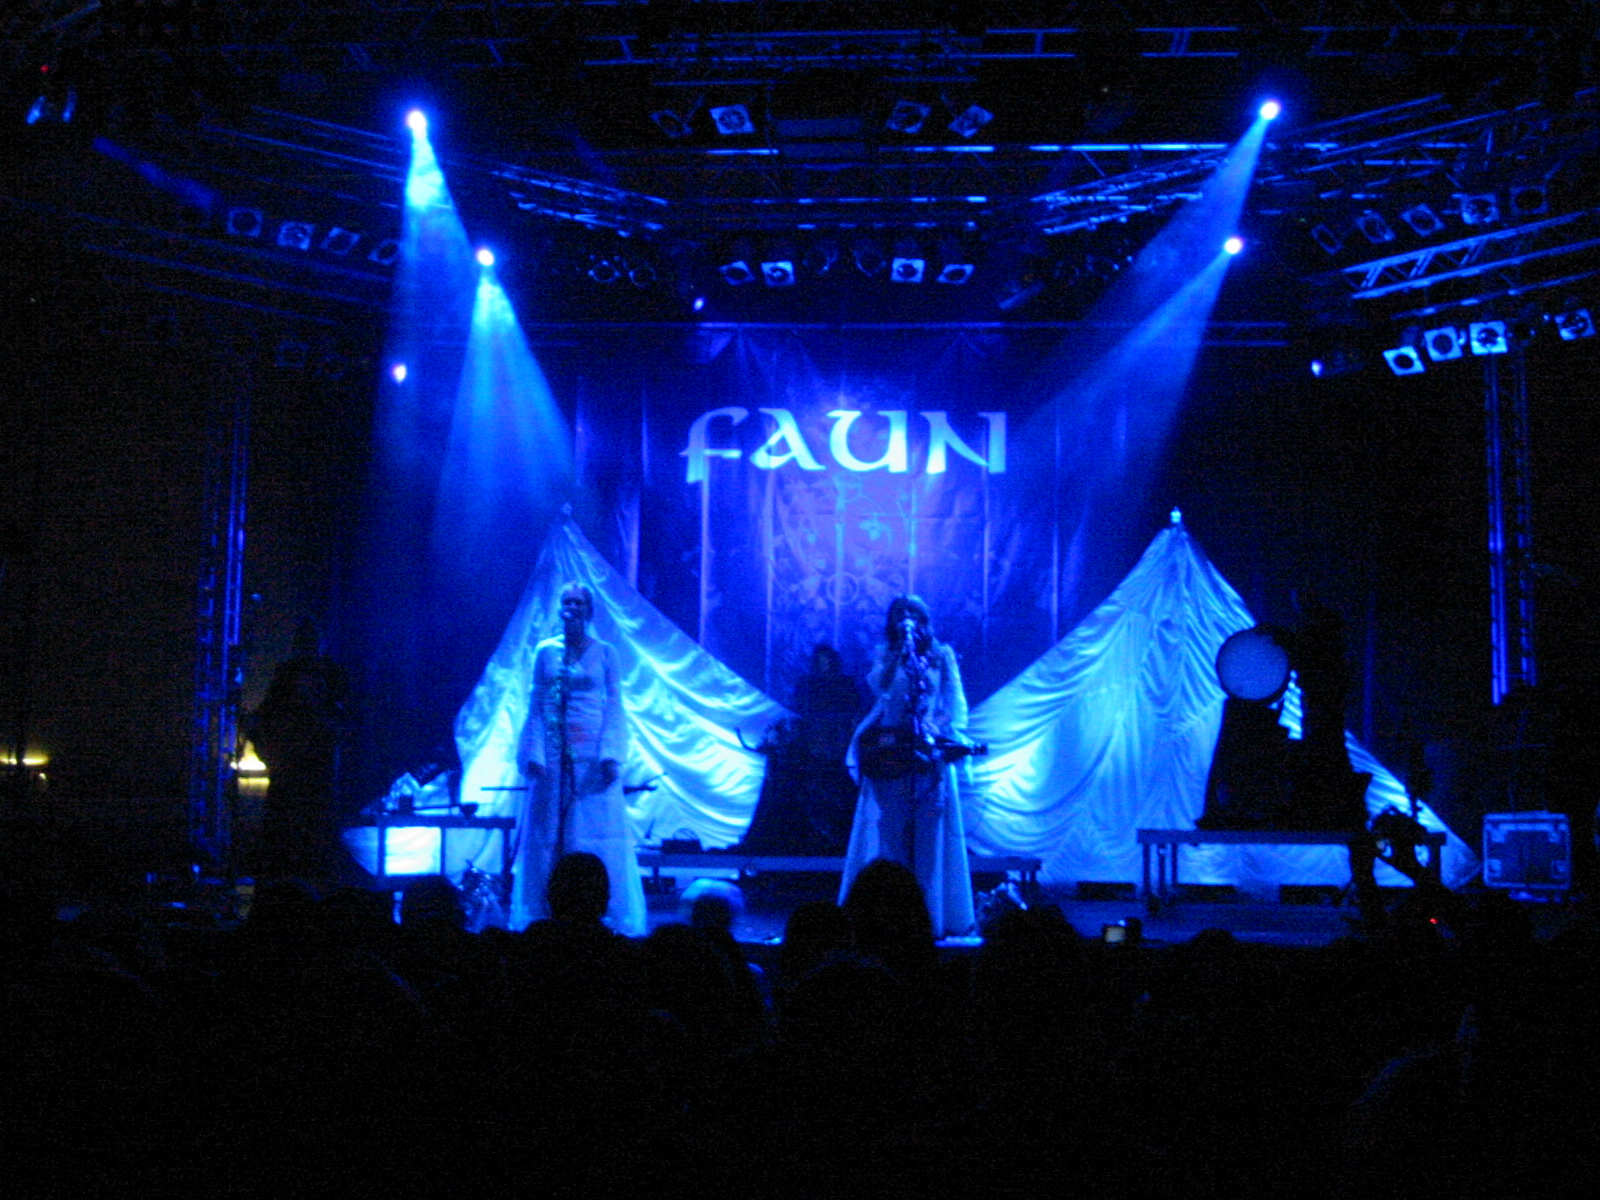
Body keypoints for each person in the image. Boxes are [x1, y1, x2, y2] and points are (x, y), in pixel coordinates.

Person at [510, 583, 647, 936]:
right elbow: (536, 704)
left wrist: (611, 755)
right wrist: (534, 752)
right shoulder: (546, 651)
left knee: (593, 832)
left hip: (591, 758)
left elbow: (614, 705)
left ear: (589, 609)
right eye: (566, 602)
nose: (571, 607)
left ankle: (601, 910)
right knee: (548, 833)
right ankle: (545, 909)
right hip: (554, 758)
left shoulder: (606, 653)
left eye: (578, 602)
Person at [838, 596, 976, 938]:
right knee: (890, 832)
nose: (906, 619)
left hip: (928, 749)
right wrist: (899, 653)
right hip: (890, 751)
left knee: (930, 832)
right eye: (899, 614)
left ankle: (932, 916)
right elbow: (880, 688)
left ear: (924, 619)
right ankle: (885, 918)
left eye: (912, 613)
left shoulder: (942, 655)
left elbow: (954, 705)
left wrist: (935, 726)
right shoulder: (886, 653)